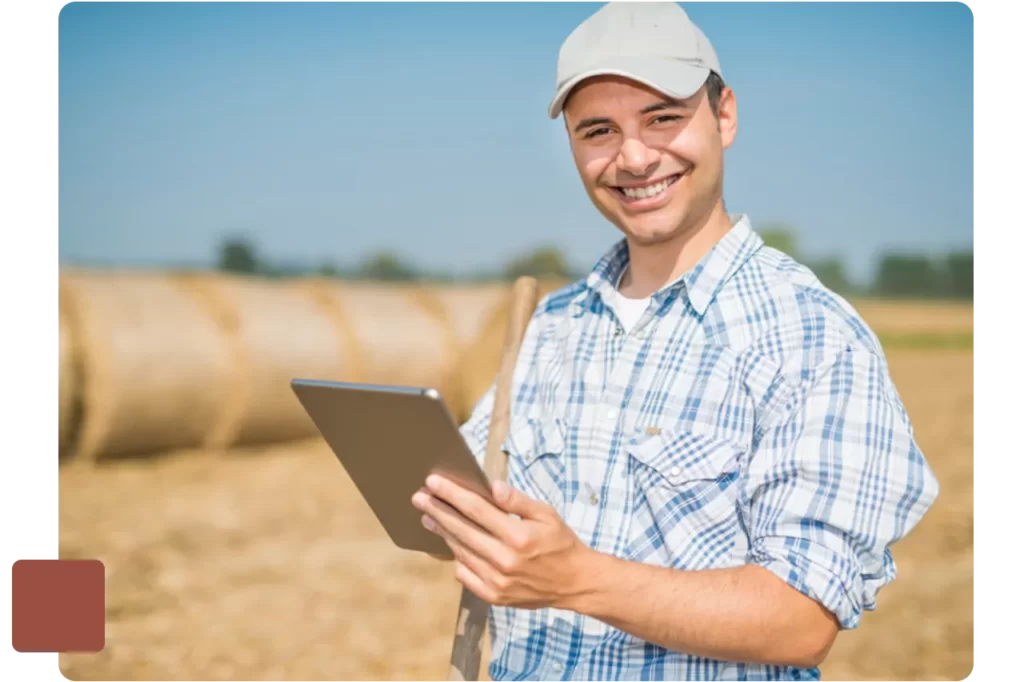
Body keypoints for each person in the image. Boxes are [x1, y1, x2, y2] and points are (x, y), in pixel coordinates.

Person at [411, 1, 940, 679]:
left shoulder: (813, 336)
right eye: (597, 130)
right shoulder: (552, 326)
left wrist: (576, 578)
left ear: (725, 117)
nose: (633, 157)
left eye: (663, 117)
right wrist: (440, 505)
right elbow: (476, 499)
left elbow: (802, 620)